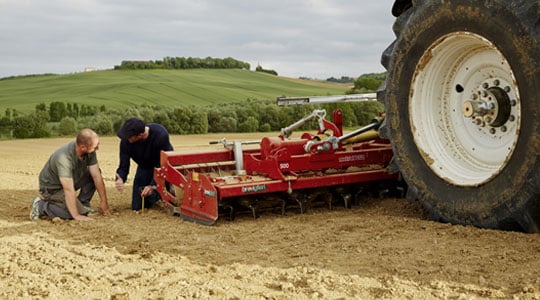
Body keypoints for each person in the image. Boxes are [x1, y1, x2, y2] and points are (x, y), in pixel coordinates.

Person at [30, 128, 111, 221]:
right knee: (69, 214)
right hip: (52, 188)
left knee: (92, 175)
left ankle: (83, 205)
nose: (97, 149)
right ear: (83, 147)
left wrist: (104, 202)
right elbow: (68, 189)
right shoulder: (63, 158)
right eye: (95, 147)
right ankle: (40, 206)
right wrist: (76, 215)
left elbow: (96, 176)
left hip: (72, 180)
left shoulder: (89, 151)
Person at [114, 118, 173, 211]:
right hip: (144, 167)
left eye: (130, 137)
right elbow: (124, 164)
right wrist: (120, 178)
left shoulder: (160, 135)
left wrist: (153, 185)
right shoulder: (126, 141)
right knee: (137, 207)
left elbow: (163, 163)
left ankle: (165, 192)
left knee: (155, 200)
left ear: (140, 135)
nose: (126, 139)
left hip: (161, 166)